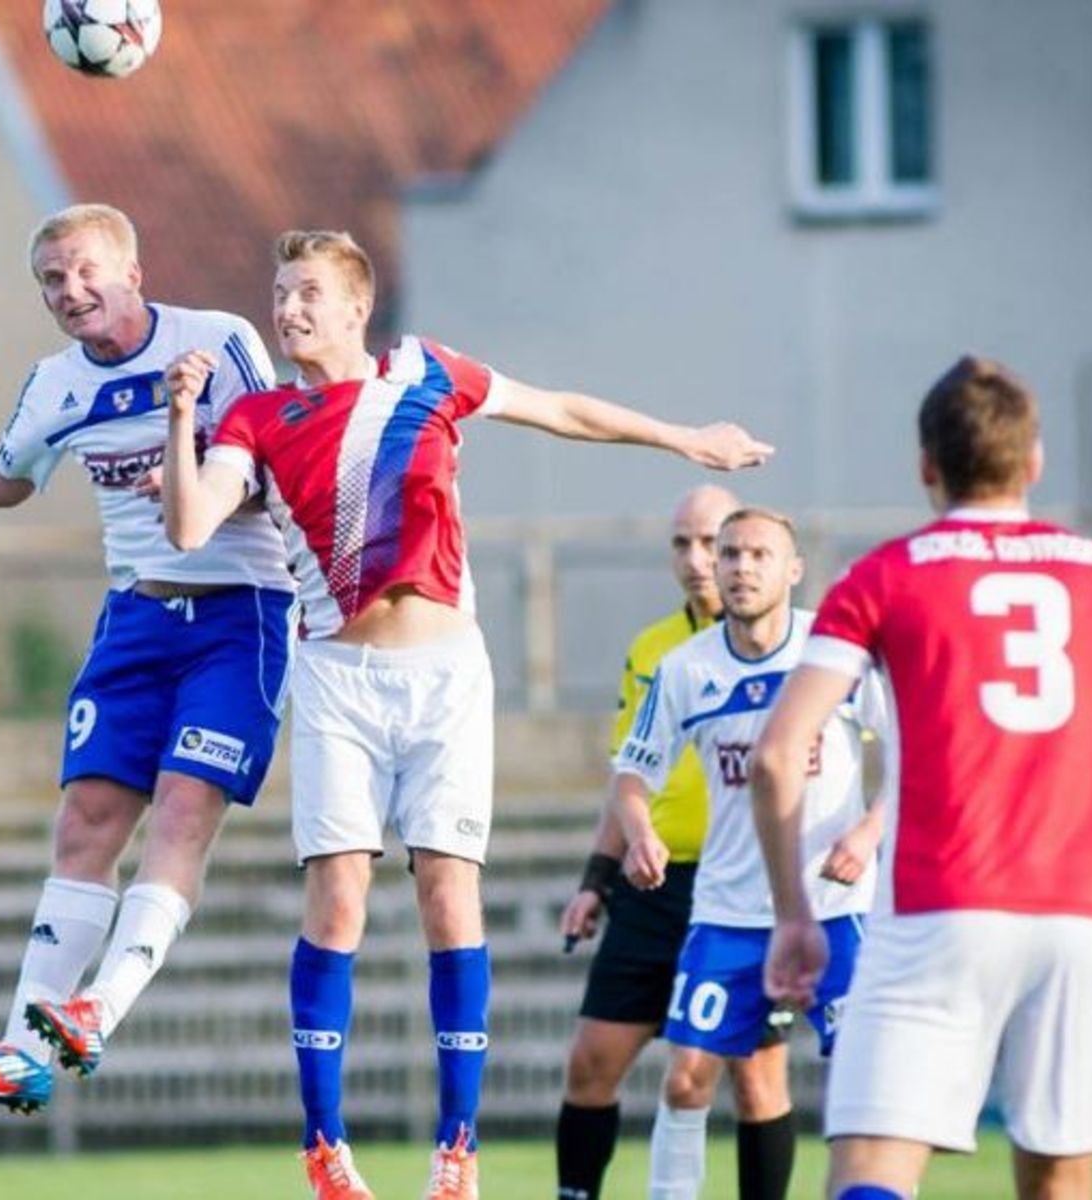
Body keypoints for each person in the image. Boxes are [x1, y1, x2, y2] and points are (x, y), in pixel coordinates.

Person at [160, 229, 771, 1199]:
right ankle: (324, 1146)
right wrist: (182, 414)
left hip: (445, 672)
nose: (289, 310)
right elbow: (189, 522)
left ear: (358, 306)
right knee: (340, 902)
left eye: (308, 291)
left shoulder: (427, 372)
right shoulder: (257, 417)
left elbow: (558, 407)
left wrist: (681, 438)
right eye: (279, 293)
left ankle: (457, 1147)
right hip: (335, 677)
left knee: (450, 896)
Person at [751, 355, 1092, 1200]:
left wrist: (792, 916)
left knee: (872, 1170)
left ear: (926, 466)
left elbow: (777, 757)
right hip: (1077, 919)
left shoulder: (884, 577)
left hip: (935, 906)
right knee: (1059, 1176)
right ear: (1034, 463)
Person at [0, 203, 293, 1113]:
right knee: (84, 823)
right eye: (50, 280)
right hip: (134, 621)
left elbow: (275, 463)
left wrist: (192, 478)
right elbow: (1, 477)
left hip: (243, 615)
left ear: (133, 273)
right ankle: (23, 1047)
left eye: (83, 272)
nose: (69, 292)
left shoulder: (217, 342)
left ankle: (94, 1015)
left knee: (181, 815)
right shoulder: (55, 386)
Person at [610, 509, 887, 1200]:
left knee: (864, 1081)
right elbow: (630, 773)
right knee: (684, 1077)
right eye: (729, 554)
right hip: (727, 912)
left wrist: (867, 832)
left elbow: (916, 755)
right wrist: (638, 828)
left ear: (792, 570)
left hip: (835, 905)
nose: (739, 567)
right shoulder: (683, 670)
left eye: (759, 554)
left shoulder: (836, 651)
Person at [557, 482, 800, 1200]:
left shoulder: (800, 647)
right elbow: (629, 771)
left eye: (714, 542)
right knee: (591, 1062)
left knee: (751, 1079)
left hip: (751, 891)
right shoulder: (656, 652)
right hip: (655, 890)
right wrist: (596, 879)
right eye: (683, 544)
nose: (699, 560)